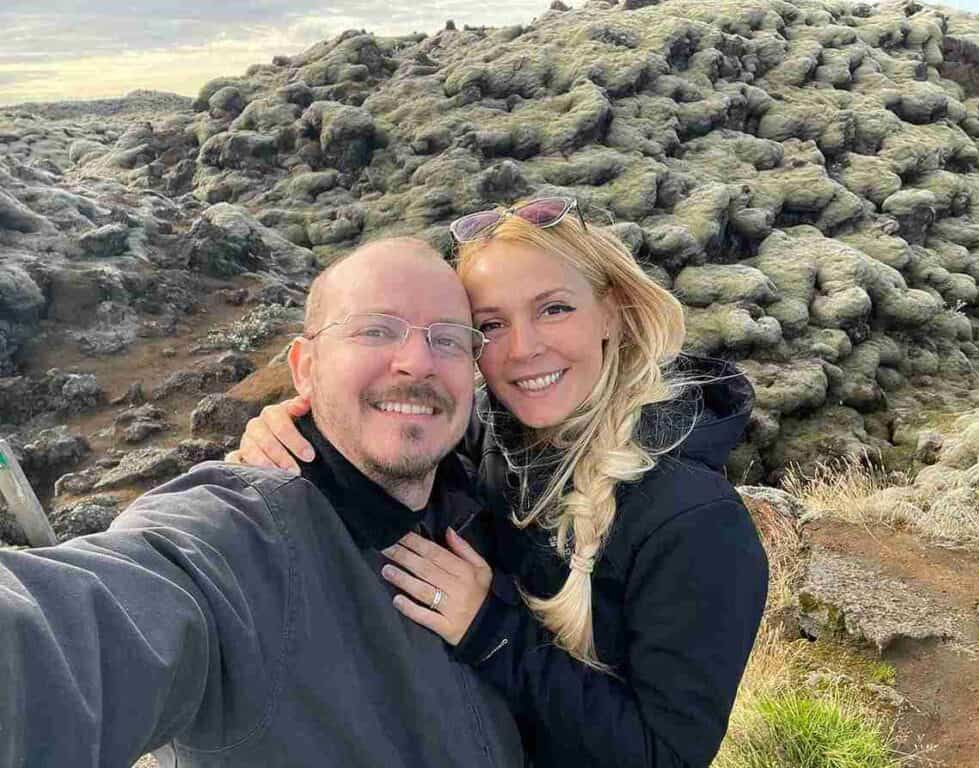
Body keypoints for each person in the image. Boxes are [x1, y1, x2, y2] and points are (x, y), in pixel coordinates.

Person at [233, 197, 770, 768]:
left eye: (554, 309)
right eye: (490, 324)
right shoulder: (491, 437)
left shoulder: (694, 522)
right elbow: (394, 460)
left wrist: (488, 630)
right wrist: (300, 430)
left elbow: (666, 757)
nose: (522, 349)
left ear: (611, 313)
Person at [0, 239, 524, 768]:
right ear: (305, 369)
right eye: (375, 330)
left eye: (450, 340)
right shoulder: (240, 538)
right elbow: (74, 632)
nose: (418, 362)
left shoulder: (495, 489)